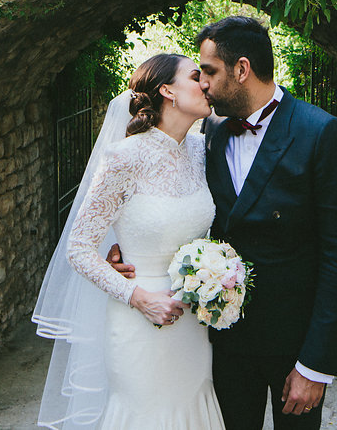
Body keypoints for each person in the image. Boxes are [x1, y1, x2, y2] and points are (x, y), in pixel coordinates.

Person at [112, 16, 337, 430]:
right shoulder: (204, 134)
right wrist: (128, 245)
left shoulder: (321, 133)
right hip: (222, 344)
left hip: (293, 347)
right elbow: (166, 202)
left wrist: (317, 365)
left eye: (208, 71)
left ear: (241, 69)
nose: (203, 83)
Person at [32, 53, 225, 429]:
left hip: (192, 320)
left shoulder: (200, 150)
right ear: (167, 90)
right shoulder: (125, 156)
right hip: (139, 317)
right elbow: (78, 248)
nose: (205, 83)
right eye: (194, 76)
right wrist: (138, 298)